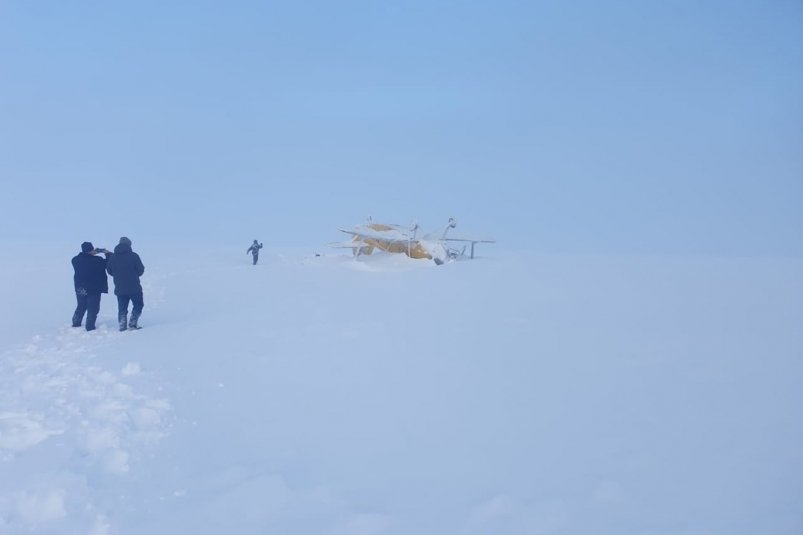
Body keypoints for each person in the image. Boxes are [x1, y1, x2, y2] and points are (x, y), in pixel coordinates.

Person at [106, 236, 145, 331]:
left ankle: (122, 325)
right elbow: (140, 271)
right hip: (134, 287)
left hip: (119, 287)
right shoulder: (134, 256)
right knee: (138, 304)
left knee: (122, 308)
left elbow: (110, 271)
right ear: (129, 245)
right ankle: (132, 323)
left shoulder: (112, 257)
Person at [71, 242, 111, 331]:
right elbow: (107, 264)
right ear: (91, 250)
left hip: (80, 287)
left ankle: (76, 322)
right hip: (94, 288)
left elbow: (81, 258)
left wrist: (90, 253)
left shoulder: (75, 260)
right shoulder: (97, 260)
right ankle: (89, 326)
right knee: (93, 308)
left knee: (81, 305)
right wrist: (107, 254)